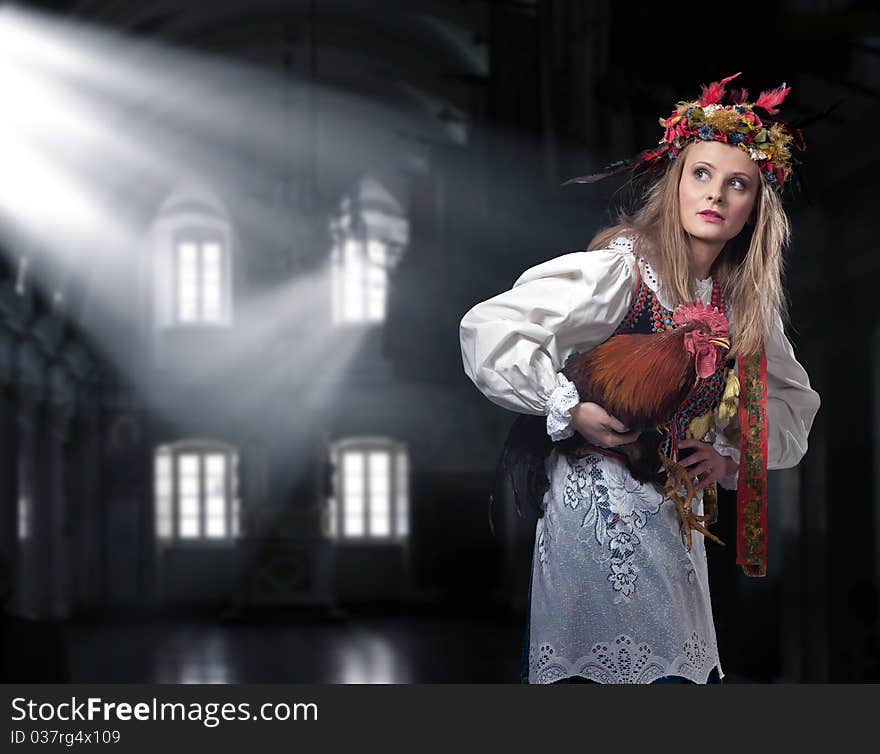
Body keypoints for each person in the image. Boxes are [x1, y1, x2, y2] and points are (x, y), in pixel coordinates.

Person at [459, 74, 821, 684]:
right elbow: (490, 326)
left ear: (755, 208)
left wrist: (729, 458)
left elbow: (791, 406)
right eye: (700, 174)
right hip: (594, 505)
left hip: (675, 517)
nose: (715, 195)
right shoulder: (625, 269)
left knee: (673, 678)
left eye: (738, 185)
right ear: (676, 184)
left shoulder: (744, 304)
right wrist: (565, 406)